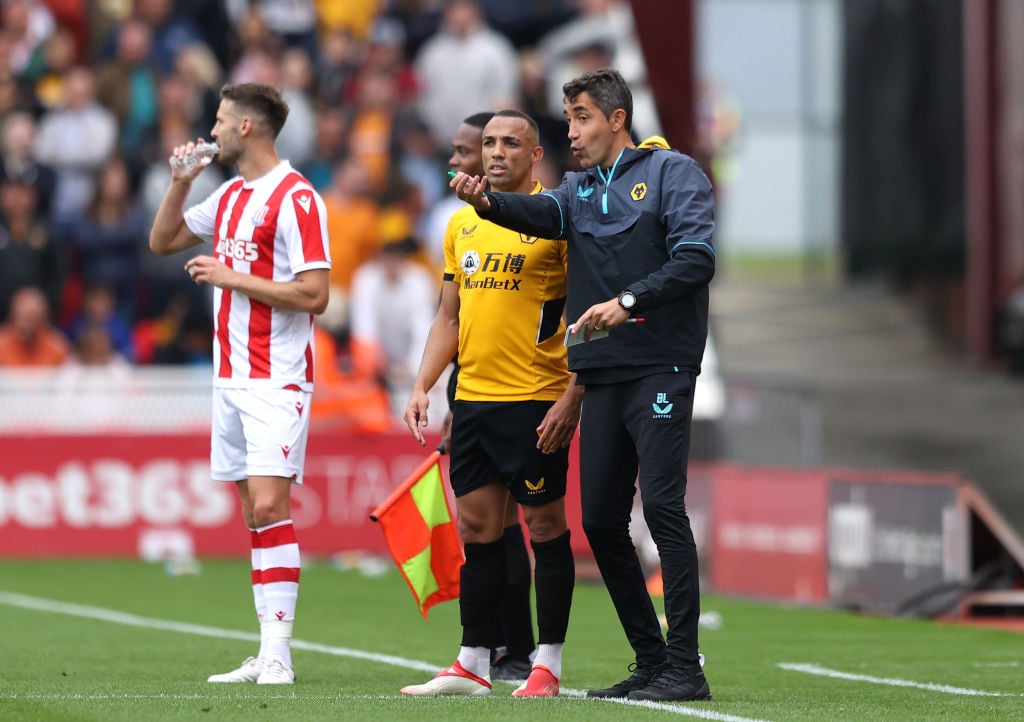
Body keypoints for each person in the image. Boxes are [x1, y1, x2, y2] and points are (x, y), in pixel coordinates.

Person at [452, 68, 715, 703]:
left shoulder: (673, 173)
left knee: (662, 507)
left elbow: (697, 257)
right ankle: (651, 661)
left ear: (616, 119)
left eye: (580, 118)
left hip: (660, 367)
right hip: (602, 375)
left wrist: (627, 299)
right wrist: (485, 200)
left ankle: (685, 665)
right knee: (598, 520)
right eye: (568, 119)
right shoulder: (577, 189)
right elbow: (540, 212)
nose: (570, 132)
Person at [149, 82, 331, 686]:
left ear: (248, 127)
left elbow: (315, 294)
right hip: (229, 377)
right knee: (253, 515)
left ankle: (279, 651)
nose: (215, 129)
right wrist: (180, 181)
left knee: (271, 506)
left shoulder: (298, 198)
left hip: (276, 376)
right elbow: (163, 241)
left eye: (223, 120)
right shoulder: (228, 196)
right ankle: (264, 647)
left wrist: (232, 277)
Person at [401, 109, 582, 698]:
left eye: (511, 143)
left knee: (544, 526)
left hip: (533, 399)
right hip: (473, 401)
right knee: (478, 531)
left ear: (535, 156)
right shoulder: (461, 227)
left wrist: (572, 392)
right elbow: (449, 316)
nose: (496, 151)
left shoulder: (557, 220)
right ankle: (473, 661)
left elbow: (582, 321)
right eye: (489, 142)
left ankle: (546, 663)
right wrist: (422, 384)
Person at [0, 285, 70, 367]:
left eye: (30, 317)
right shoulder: (2, 344)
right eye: (20, 316)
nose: (24, 324)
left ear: (43, 319)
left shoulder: (58, 348)